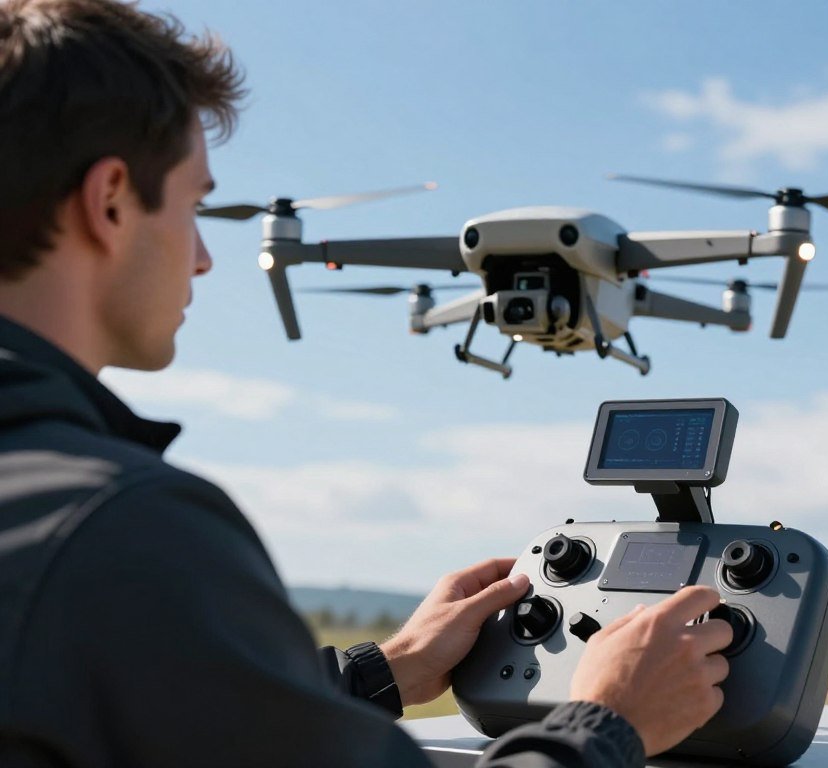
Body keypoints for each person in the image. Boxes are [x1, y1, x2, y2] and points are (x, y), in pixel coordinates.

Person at [0, 1, 733, 766]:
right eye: (195, 206)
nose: (203, 259)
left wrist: (384, 670)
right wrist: (608, 722)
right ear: (110, 200)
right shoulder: (120, 530)